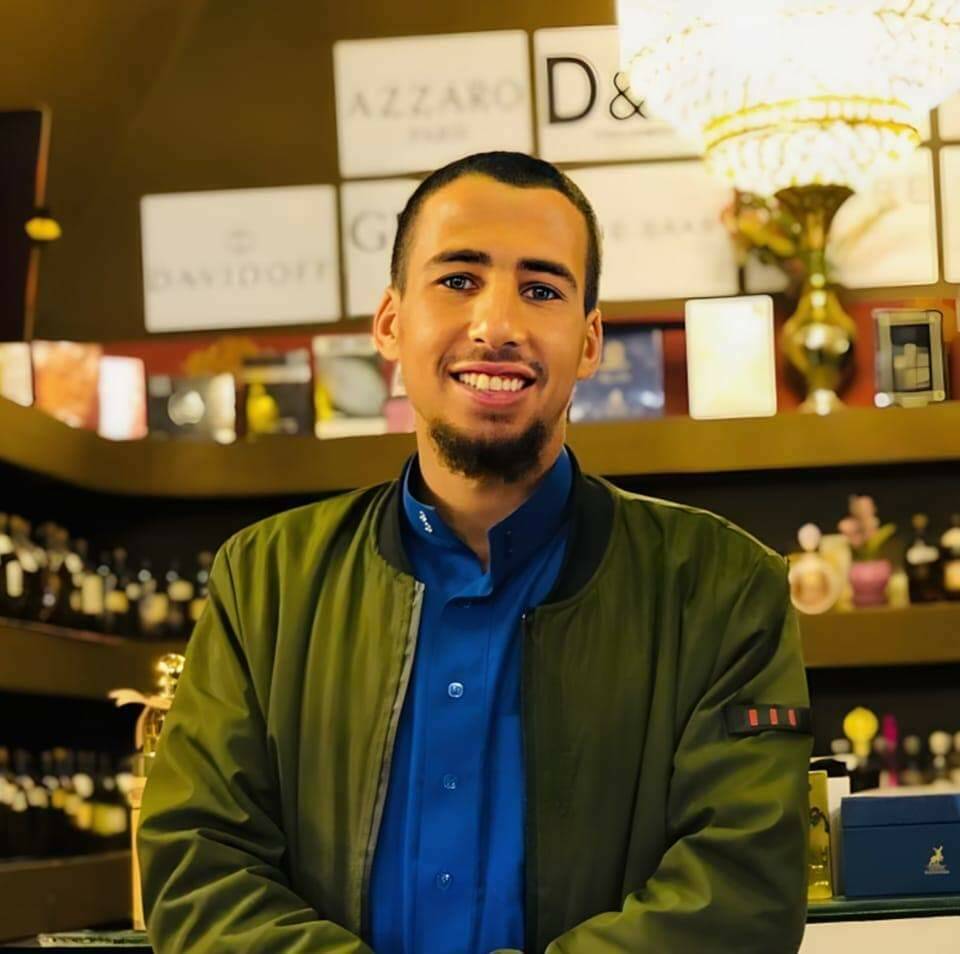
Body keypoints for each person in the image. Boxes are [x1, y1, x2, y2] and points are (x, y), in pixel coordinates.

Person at [138, 151, 812, 954]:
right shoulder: (265, 582)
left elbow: (740, 893)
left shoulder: (723, 588)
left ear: (589, 341)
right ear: (391, 323)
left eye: (542, 290)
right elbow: (200, 870)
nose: (497, 327)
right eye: (458, 280)